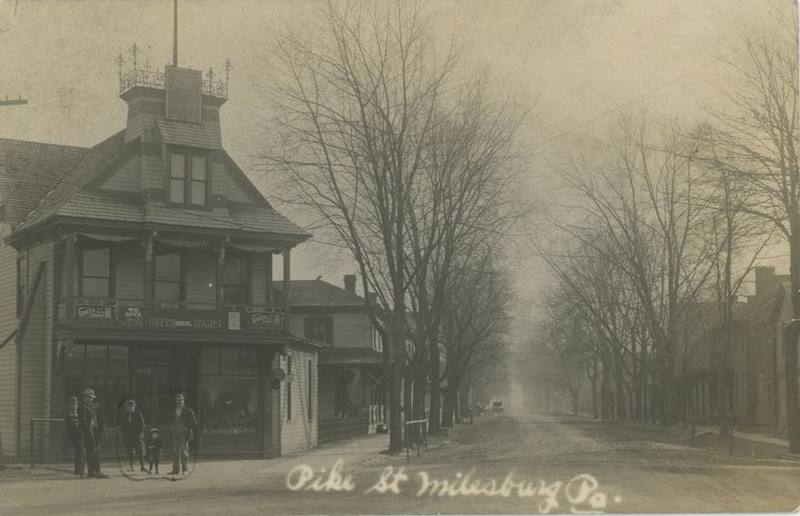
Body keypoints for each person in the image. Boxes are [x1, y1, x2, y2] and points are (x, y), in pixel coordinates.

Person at [78, 387, 108, 479]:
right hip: (88, 432)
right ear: (84, 397)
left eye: (90, 397)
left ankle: (97, 471)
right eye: (87, 397)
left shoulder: (96, 407)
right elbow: (83, 421)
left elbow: (101, 419)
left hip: (96, 431)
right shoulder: (82, 408)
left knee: (97, 451)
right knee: (90, 452)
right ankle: (91, 471)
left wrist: (102, 430)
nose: (89, 399)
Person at [168, 393, 197, 475]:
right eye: (178, 400)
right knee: (175, 451)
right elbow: (170, 420)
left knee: (184, 451)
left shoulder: (188, 410)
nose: (179, 402)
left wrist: (187, 427)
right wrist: (171, 427)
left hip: (184, 433)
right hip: (175, 432)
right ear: (175, 401)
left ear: (183, 401)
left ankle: (185, 469)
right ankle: (175, 469)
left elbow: (194, 422)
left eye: (181, 400)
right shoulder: (173, 410)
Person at [119, 399, 146, 472]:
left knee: (140, 451)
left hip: (137, 436)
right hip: (128, 436)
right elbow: (121, 425)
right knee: (130, 451)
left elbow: (142, 425)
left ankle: (142, 467)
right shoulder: (124, 415)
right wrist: (125, 433)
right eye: (129, 407)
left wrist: (139, 433)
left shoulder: (138, 414)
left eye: (132, 406)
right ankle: (131, 466)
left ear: (134, 407)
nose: (130, 408)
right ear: (127, 407)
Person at [64, 396, 81, 475]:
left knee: (80, 452)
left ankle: (79, 469)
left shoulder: (77, 412)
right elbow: (71, 422)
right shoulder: (68, 413)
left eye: (75, 404)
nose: (74, 406)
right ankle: (78, 470)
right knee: (78, 451)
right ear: (69, 405)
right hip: (72, 434)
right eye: (72, 404)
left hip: (79, 434)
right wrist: (77, 421)